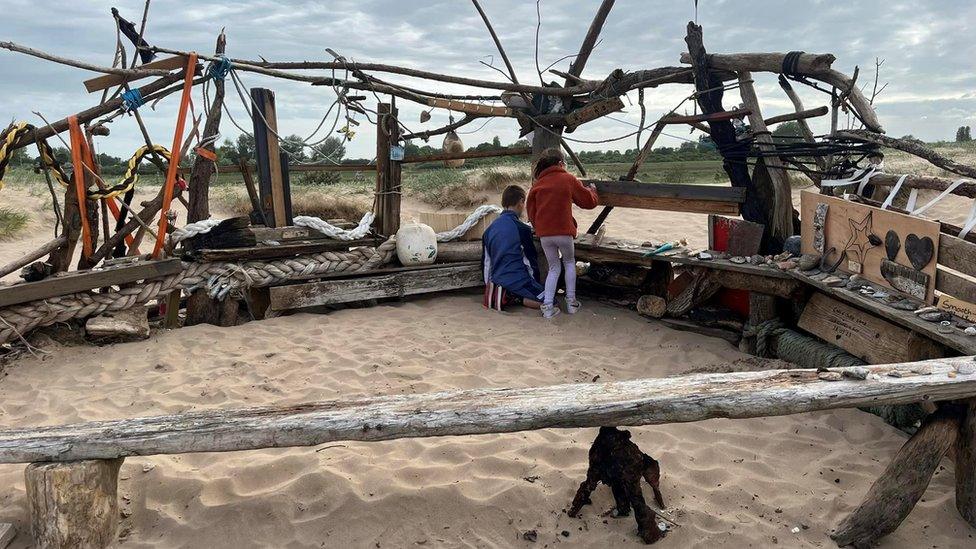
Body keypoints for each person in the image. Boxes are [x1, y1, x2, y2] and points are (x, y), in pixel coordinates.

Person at [526, 148, 599, 318]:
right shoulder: (567, 179)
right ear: (561, 163)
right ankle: (571, 302)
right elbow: (588, 202)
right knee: (569, 262)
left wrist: (539, 228)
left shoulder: (537, 185)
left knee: (553, 268)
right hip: (564, 232)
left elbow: (531, 212)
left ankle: (548, 306)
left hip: (545, 235)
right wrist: (593, 191)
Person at [481, 184, 544, 311]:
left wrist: (489, 284)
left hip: (497, 279)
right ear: (521, 201)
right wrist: (536, 283)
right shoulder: (523, 229)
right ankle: (516, 297)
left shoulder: (488, 230)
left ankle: (505, 294)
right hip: (517, 279)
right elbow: (530, 262)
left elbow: (486, 263)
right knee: (550, 301)